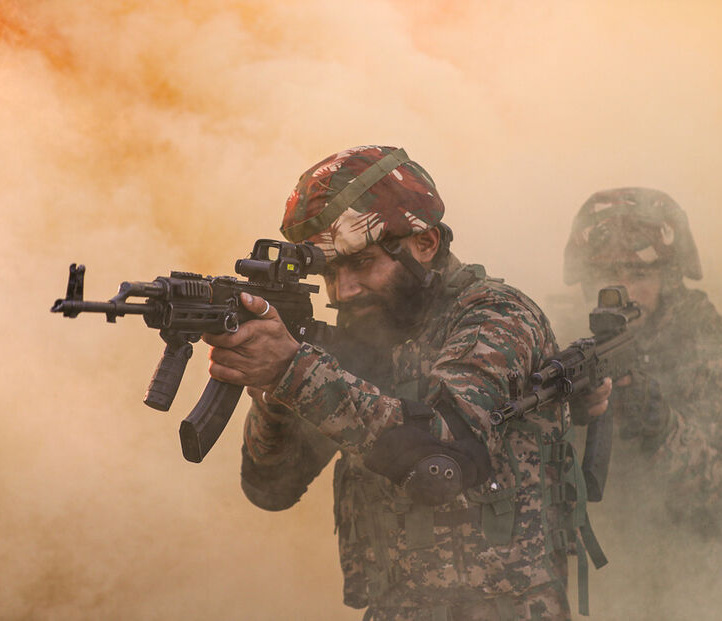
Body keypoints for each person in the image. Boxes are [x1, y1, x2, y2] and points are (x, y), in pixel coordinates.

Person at [204, 146, 610, 621]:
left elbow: (446, 459)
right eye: (330, 271)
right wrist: (273, 391)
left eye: (361, 263)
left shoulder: (497, 317)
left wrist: (293, 371)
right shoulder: (364, 336)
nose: (343, 291)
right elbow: (271, 487)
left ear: (425, 244)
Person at [562, 187, 722, 618]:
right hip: (598, 587)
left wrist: (662, 428)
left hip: (698, 589)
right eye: (607, 274)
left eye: (639, 275)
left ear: (670, 279)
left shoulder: (720, 357)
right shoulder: (563, 347)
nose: (623, 291)